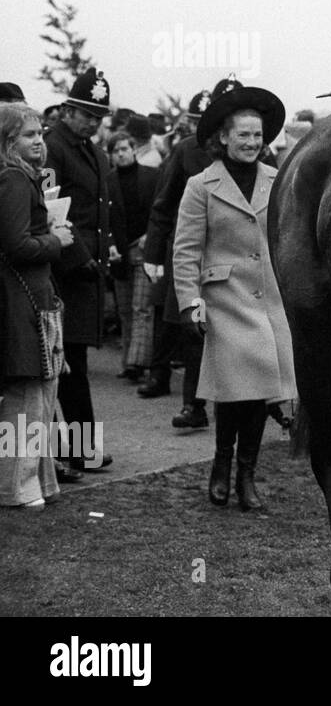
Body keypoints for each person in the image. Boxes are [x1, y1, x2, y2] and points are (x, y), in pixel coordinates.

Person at [172, 85, 296, 511]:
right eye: (243, 135)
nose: (251, 143)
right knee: (234, 391)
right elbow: (186, 250)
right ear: (223, 138)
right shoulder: (200, 186)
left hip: (268, 299)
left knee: (260, 390)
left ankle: (247, 474)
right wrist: (189, 302)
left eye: (258, 136)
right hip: (224, 299)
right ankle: (222, 464)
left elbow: (286, 239)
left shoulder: (277, 181)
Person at [42, 70, 126, 474]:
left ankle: (78, 447)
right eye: (85, 113)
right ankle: (77, 448)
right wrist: (77, 258)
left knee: (75, 363)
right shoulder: (52, 147)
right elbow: (49, 209)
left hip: (88, 272)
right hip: (65, 271)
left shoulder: (91, 150)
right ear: (68, 109)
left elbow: (98, 210)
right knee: (67, 362)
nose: (92, 122)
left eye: (98, 115)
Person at [141, 83, 234, 419]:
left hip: (234, 257)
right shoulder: (184, 151)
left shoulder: (253, 151)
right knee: (192, 327)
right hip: (191, 253)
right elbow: (163, 205)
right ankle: (192, 404)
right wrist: (153, 253)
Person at [0, 104, 74, 507]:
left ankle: (35, 483)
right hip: (22, 299)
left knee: (40, 395)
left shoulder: (20, 177)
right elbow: (15, 245)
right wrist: (55, 242)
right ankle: (16, 487)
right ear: (9, 141)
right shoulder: (12, 179)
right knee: (27, 396)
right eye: (29, 136)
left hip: (32, 297)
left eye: (41, 134)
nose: (39, 143)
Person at [105, 131, 160, 384]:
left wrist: (152, 234)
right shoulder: (107, 182)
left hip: (143, 247)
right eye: (115, 151)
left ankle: (137, 363)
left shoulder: (151, 177)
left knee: (142, 308)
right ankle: (128, 360)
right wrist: (109, 244)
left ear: (134, 150)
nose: (121, 154)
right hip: (119, 251)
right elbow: (102, 219)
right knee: (125, 310)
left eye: (124, 149)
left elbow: (160, 210)